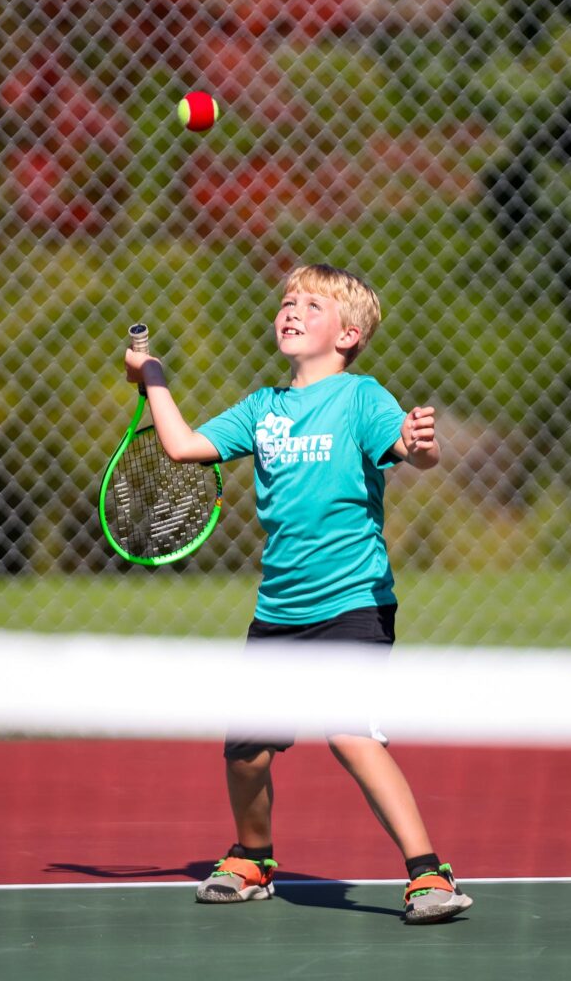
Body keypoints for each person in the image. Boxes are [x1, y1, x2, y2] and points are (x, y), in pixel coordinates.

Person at [124, 263, 472, 924]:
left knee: (348, 733)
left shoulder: (361, 398)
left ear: (346, 335)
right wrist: (153, 376)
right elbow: (181, 446)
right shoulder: (261, 409)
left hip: (353, 602)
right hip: (279, 613)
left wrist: (419, 444)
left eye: (310, 306)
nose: (290, 311)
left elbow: (407, 446)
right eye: (287, 302)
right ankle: (253, 857)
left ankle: (427, 874)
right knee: (246, 752)